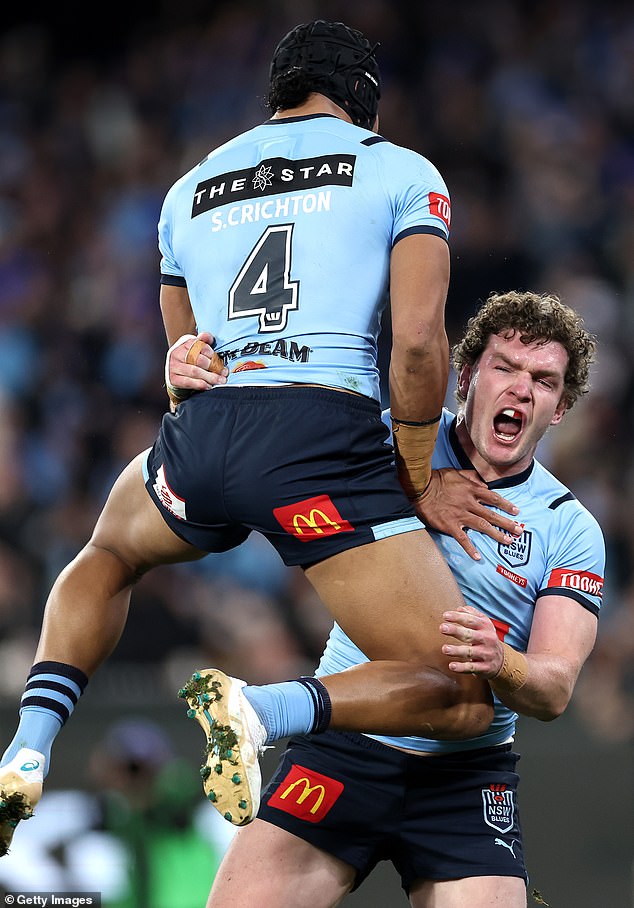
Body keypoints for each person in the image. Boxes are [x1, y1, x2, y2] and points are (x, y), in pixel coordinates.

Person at [0, 18, 522, 852]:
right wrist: (418, 475)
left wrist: (191, 382)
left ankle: (29, 742)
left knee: (104, 555)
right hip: (319, 434)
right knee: (461, 695)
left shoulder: (190, 187)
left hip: (205, 436)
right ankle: (264, 707)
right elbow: (420, 345)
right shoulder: (398, 169)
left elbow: (185, 356)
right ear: (364, 103)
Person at [205, 290, 605, 908]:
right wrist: (196, 386)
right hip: (349, 743)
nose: (521, 390)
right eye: (505, 367)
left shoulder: (570, 529)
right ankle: (270, 711)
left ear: (560, 409)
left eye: (544, 381)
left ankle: (265, 710)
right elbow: (272, 443)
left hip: (466, 776)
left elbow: (554, 688)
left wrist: (501, 662)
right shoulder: (385, 445)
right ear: (466, 377)